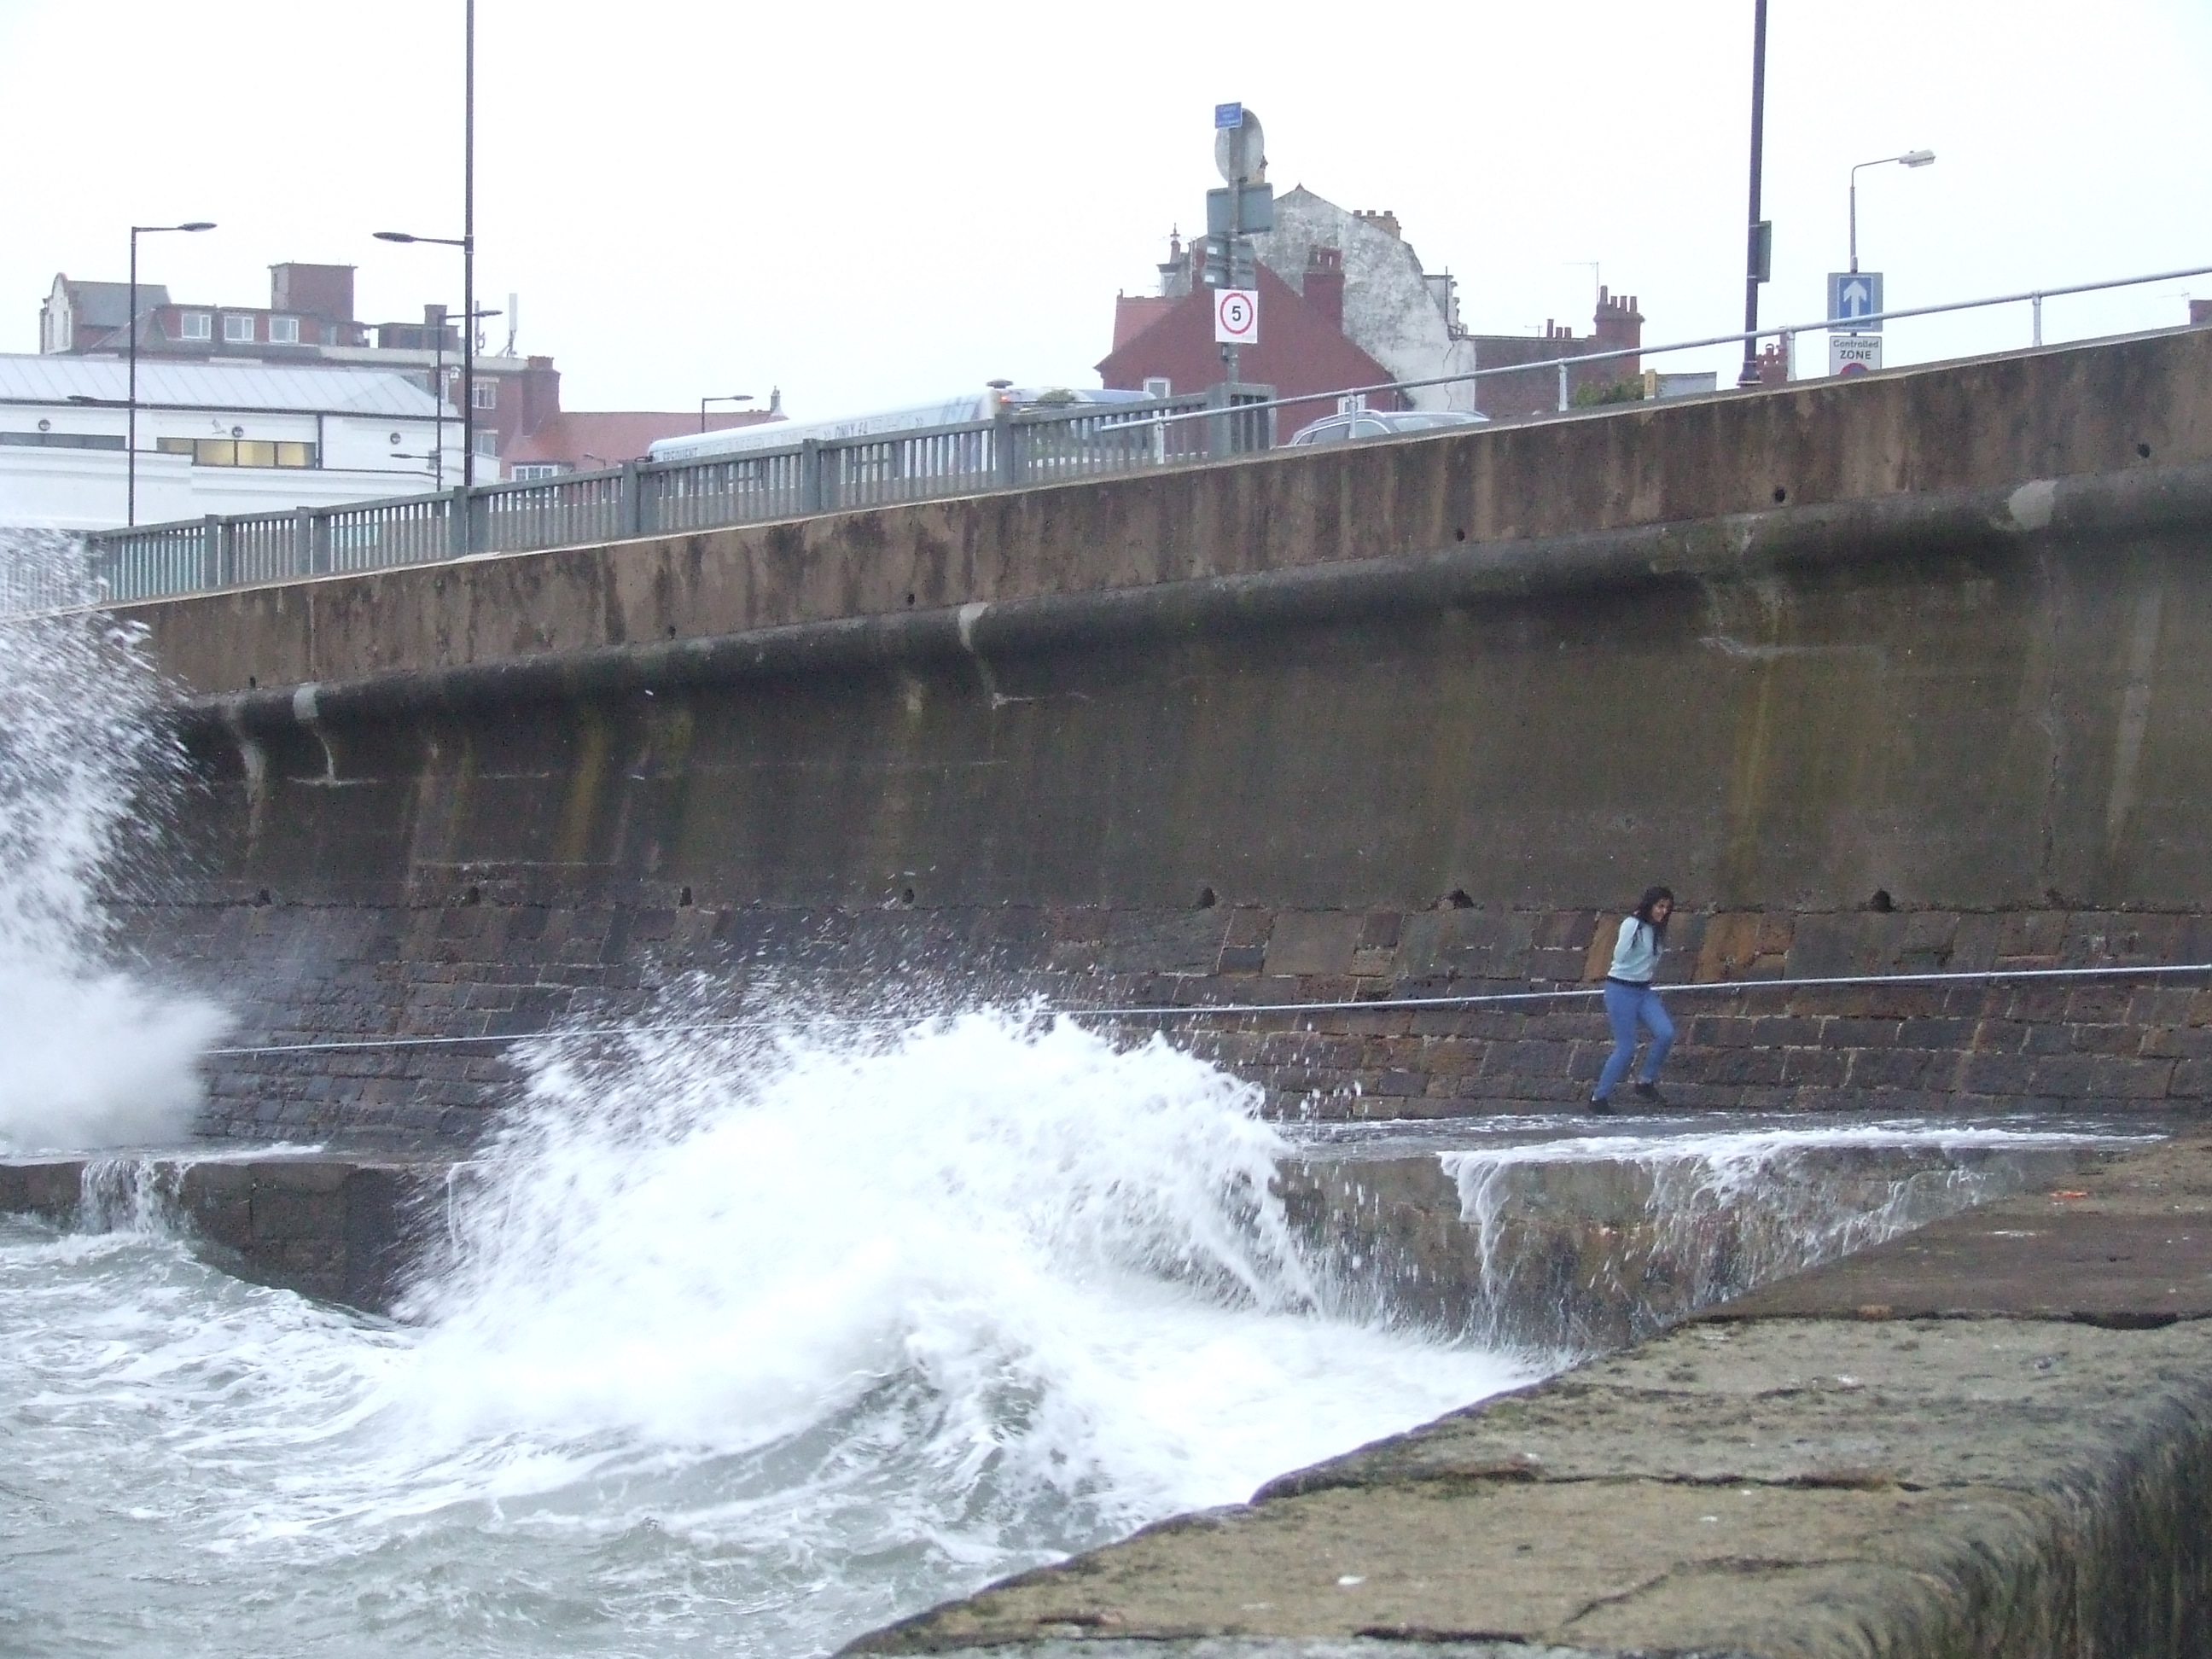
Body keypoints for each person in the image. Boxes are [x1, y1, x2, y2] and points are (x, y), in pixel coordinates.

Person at [1591, 885, 1676, 1113]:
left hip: (1643, 991)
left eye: (1667, 908)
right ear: (1650, 905)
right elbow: (1619, 956)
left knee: (1665, 1033)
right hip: (1620, 989)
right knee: (1626, 1047)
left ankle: (1645, 1082)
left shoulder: (1656, 930)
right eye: (1660, 906)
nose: (1663, 912)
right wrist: (1633, 930)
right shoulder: (1632, 925)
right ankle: (1599, 1098)